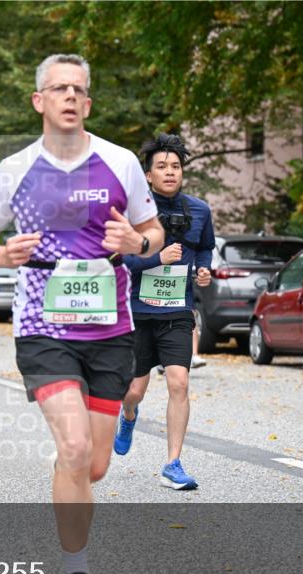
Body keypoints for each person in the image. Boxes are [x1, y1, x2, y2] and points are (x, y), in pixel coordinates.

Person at [0, 54, 164, 574]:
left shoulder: (121, 162)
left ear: (89, 103)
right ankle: (77, 573)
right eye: (59, 89)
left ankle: (72, 464)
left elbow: (153, 231)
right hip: (43, 325)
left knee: (92, 467)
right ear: (40, 101)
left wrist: (137, 244)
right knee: (75, 449)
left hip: (111, 328)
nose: (70, 97)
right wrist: (1, 254)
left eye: (78, 89)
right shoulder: (15, 169)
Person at [112, 133, 215, 492]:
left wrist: (203, 270)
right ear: (148, 175)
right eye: (162, 166)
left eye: (175, 166)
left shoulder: (200, 211)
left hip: (177, 311)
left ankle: (173, 463)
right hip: (138, 313)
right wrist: (157, 258)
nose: (170, 172)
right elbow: (121, 261)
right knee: (133, 392)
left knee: (179, 382)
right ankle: (128, 415)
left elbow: (205, 248)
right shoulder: (134, 213)